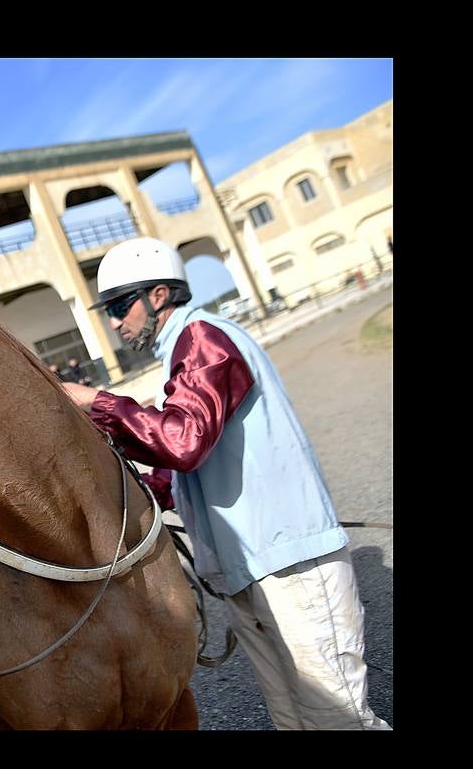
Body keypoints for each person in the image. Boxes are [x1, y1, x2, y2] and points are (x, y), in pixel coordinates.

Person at [59, 236, 389, 730]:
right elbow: (180, 469)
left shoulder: (204, 337)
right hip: (249, 571)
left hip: (289, 565)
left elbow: (184, 442)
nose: (113, 322)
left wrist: (99, 402)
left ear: (158, 296)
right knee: (291, 719)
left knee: (337, 720)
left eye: (119, 306)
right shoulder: (182, 353)